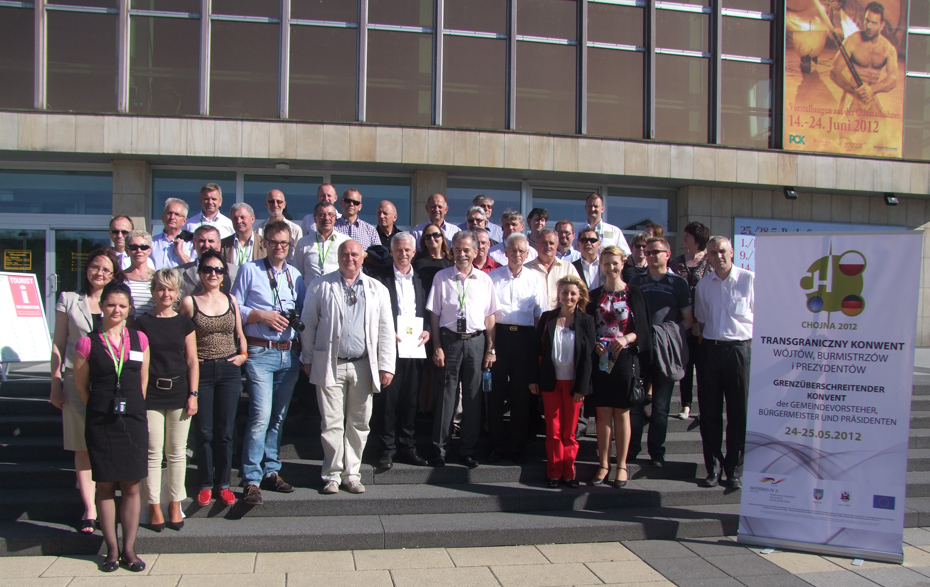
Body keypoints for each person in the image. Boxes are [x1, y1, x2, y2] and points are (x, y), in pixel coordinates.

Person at [300, 240, 396, 494]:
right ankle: (332, 475)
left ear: (363, 257)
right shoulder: (320, 285)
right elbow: (308, 324)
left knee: (359, 422)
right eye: (345, 254)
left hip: (363, 365)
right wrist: (307, 359)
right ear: (338, 256)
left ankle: (352, 474)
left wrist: (387, 365)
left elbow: (386, 329)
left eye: (354, 254)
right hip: (330, 363)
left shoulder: (377, 289)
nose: (350, 258)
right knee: (331, 423)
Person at [72, 281, 150, 573]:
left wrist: (133, 407)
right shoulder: (87, 342)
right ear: (102, 307)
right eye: (111, 305)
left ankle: (129, 550)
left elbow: (142, 380)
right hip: (101, 421)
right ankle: (111, 551)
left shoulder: (140, 339)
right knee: (104, 485)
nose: (116, 310)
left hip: (133, 420)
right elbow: (82, 387)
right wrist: (100, 407)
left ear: (129, 309)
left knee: (131, 485)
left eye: (122, 305)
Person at [50, 247, 124, 535]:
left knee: (107, 442)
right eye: (95, 267)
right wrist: (55, 381)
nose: (99, 273)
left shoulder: (118, 302)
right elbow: (59, 343)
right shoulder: (69, 299)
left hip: (109, 381)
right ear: (87, 268)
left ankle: (108, 501)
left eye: (106, 269)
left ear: (114, 274)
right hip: (74, 378)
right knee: (81, 446)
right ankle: (90, 510)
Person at [232, 221, 307, 506]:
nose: (279, 247)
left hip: (288, 355)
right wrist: (261, 315)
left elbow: (302, 312)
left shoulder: (295, 275)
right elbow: (234, 307)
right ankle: (251, 478)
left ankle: (271, 471)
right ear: (264, 243)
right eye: (274, 242)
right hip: (260, 352)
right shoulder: (249, 270)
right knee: (260, 416)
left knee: (277, 418)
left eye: (284, 243)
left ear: (290, 246)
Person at [180, 250, 248, 507]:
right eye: (208, 269)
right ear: (200, 273)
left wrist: (243, 355)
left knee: (226, 431)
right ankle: (206, 483)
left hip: (229, 369)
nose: (213, 274)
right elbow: (181, 336)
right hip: (203, 371)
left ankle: (224, 484)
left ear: (224, 275)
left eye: (218, 270)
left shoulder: (231, 300)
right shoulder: (190, 302)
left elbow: (239, 333)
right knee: (204, 431)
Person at [427, 231, 498, 468]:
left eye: (466, 250)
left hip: (476, 343)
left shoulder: (485, 280)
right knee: (446, 397)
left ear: (475, 252)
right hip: (450, 342)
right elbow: (434, 315)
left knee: (473, 397)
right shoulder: (441, 277)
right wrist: (437, 346)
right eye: (457, 249)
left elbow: (490, 317)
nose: (462, 254)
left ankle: (468, 450)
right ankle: (439, 450)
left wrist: (491, 348)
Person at [135, 269, 198, 532]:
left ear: (177, 293)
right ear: (153, 291)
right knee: (152, 453)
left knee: (177, 453)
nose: (165, 294)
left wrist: (193, 394)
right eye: (161, 288)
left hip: (179, 393)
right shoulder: (140, 323)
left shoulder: (184, 323)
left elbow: (192, 361)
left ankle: (175, 503)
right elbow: (138, 363)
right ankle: (152, 505)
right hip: (150, 394)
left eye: (170, 289)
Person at [694, 237, 753, 490]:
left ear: (732, 252)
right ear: (707, 256)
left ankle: (734, 469)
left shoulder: (749, 280)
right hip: (711, 350)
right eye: (712, 252)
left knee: (739, 412)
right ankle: (713, 467)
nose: (718, 256)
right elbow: (701, 319)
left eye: (722, 251)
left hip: (739, 350)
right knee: (709, 412)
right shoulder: (703, 285)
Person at [586, 246, 648, 488]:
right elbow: (587, 328)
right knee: (602, 412)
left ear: (623, 264)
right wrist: (594, 344)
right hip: (601, 358)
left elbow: (643, 330)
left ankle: (621, 465)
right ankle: (603, 464)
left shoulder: (634, 293)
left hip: (625, 358)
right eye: (606, 263)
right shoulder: (594, 295)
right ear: (600, 265)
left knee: (622, 412)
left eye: (615, 263)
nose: (611, 268)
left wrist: (627, 338)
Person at [629, 237, 693, 468]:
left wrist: (669, 334)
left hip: (667, 350)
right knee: (636, 403)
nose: (651, 255)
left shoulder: (678, 283)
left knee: (661, 406)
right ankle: (632, 449)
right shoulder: (636, 281)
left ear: (668, 254)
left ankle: (657, 452)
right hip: (641, 349)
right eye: (647, 252)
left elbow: (688, 319)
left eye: (656, 251)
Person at [371, 232, 431, 469]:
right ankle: (386, 449)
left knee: (410, 401)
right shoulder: (379, 278)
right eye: (398, 250)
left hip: (415, 348)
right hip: (389, 347)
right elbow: (372, 312)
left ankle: (407, 447)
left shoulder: (423, 279)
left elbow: (429, 312)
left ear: (414, 252)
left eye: (407, 250)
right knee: (387, 401)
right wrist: (386, 332)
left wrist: (428, 330)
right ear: (391, 251)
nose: (403, 254)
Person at [530, 275, 595, 488]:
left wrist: (582, 387)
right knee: (553, 430)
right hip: (551, 381)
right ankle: (554, 473)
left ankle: (569, 472)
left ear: (580, 296)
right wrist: (534, 379)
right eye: (565, 292)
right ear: (559, 295)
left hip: (573, 385)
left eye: (573, 293)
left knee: (570, 432)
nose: (568, 297)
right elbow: (536, 350)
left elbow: (588, 357)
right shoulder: (548, 318)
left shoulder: (586, 321)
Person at [487, 233, 547, 463]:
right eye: (513, 250)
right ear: (505, 252)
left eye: (522, 251)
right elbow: (489, 314)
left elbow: (539, 315)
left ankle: (517, 446)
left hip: (524, 339)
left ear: (527, 253)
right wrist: (491, 345)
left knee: (521, 395)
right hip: (500, 336)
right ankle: (496, 445)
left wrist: (536, 346)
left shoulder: (535, 278)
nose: (517, 254)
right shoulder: (493, 277)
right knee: (496, 393)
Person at [668, 221, 712, 420]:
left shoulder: (710, 261)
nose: (684, 238)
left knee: (703, 367)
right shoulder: (676, 262)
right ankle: (685, 404)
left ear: (698, 238)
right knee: (684, 365)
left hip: (704, 323)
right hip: (683, 321)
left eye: (688, 235)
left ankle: (704, 406)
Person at [412, 226, 453, 418]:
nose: (432, 239)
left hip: (444, 318)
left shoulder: (450, 262)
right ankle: (422, 408)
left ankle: (436, 410)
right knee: (423, 366)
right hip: (422, 315)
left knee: (440, 366)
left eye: (436, 235)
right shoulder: (417, 262)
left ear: (442, 237)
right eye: (427, 236)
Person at [829, 2, 898, 110]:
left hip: (870, 95)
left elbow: (893, 79)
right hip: (851, 94)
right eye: (867, 21)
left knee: (882, 120)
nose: (869, 26)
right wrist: (854, 92)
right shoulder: (852, 41)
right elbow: (834, 71)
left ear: (882, 25)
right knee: (845, 119)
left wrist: (872, 90)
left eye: (874, 23)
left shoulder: (888, 49)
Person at [293, 202, 350, 283]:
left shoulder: (345, 242)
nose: (326, 218)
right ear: (315, 218)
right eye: (322, 215)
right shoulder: (303, 243)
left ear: (335, 218)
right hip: (311, 290)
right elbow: (297, 274)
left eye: (330, 214)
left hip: (336, 289)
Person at [526, 228, 581, 310]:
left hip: (561, 317)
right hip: (533, 317)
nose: (548, 246)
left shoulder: (568, 268)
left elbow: (580, 292)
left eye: (551, 243)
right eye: (544, 243)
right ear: (537, 245)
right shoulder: (526, 269)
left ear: (557, 245)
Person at [179, 226, 235, 297]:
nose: (206, 245)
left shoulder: (235, 272)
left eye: (211, 241)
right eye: (202, 241)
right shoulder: (179, 273)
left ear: (219, 245)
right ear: (194, 244)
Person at [255, 189, 303, 258]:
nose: (275, 205)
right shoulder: (258, 230)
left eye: (279, 201)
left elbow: (299, 257)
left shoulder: (295, 230)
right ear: (266, 204)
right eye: (271, 202)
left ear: (284, 204)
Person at [151, 198, 194, 269]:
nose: (172, 217)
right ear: (163, 217)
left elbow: (194, 269)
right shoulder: (152, 242)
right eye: (169, 213)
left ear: (184, 221)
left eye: (177, 214)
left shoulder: (191, 243)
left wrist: (180, 252)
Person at [221, 202, 266, 270]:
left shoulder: (264, 244)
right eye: (235, 218)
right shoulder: (223, 245)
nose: (239, 221)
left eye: (242, 217)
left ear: (252, 219)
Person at [123, 230, 156, 317]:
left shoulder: (157, 277)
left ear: (149, 250)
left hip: (151, 323)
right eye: (133, 247)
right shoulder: (120, 277)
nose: (139, 250)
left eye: (143, 247)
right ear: (127, 250)